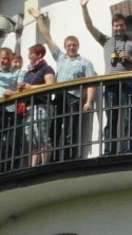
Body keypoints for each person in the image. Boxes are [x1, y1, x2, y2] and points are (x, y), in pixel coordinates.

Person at [80, 0, 132, 155]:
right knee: (111, 118)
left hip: (128, 84)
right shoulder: (106, 41)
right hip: (111, 85)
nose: (119, 28)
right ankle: (108, 150)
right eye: (116, 26)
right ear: (113, 27)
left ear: (126, 26)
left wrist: (130, 58)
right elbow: (90, 27)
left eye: (121, 25)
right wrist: (84, 7)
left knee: (128, 118)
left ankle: (127, 149)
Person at [41, 13, 99, 162]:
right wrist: (38, 19)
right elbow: (47, 39)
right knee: (54, 127)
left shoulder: (85, 62)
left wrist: (89, 101)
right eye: (69, 45)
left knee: (70, 128)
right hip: (59, 96)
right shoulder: (60, 57)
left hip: (74, 97)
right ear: (65, 47)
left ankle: (67, 158)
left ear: (77, 46)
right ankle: (52, 158)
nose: (71, 48)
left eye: (74, 45)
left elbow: (90, 83)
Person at [19, 43, 58, 167]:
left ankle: (45, 164)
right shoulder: (28, 73)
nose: (28, 56)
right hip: (29, 108)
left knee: (42, 134)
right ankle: (33, 165)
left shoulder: (47, 69)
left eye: (31, 53)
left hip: (42, 106)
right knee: (32, 138)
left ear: (39, 54)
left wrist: (31, 87)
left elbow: (51, 84)